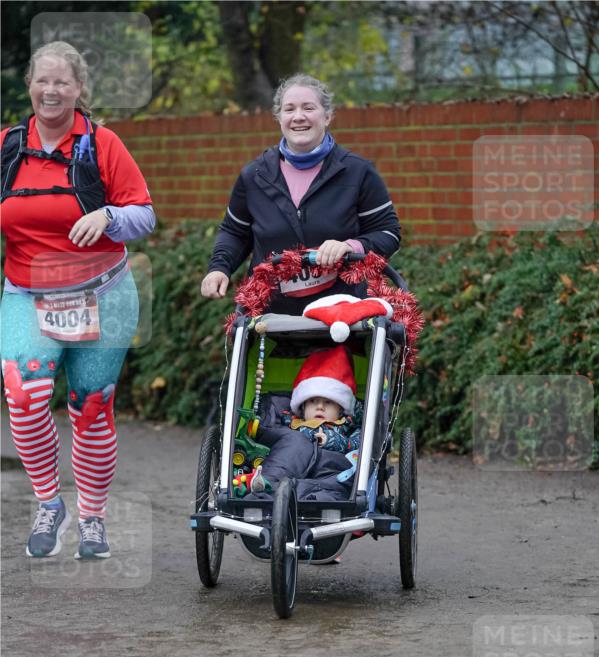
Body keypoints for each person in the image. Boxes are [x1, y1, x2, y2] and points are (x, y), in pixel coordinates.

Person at [1, 41, 155, 559]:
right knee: (24, 396)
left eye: (61, 82)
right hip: (26, 291)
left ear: (78, 89)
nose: (51, 90)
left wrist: (108, 216)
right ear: (29, 86)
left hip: (102, 292)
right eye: (42, 81)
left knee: (91, 407)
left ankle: (92, 518)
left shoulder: (102, 144)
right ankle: (49, 503)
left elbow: (144, 215)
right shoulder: (7, 147)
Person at [201, 73, 400, 314]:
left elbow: (388, 233)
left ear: (327, 116)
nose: (298, 117)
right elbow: (234, 232)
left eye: (308, 108)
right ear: (279, 118)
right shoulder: (254, 176)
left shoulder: (358, 172)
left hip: (344, 317)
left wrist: (350, 246)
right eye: (289, 109)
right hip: (268, 318)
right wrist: (219, 268)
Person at [240, 346, 362, 501]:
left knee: (331, 487)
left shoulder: (348, 427)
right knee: (292, 443)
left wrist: (332, 439)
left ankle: (317, 502)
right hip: (292, 461)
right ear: (302, 407)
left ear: (340, 410)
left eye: (328, 402)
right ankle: (264, 486)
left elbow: (358, 445)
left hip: (329, 468)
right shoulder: (290, 423)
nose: (320, 406)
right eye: (313, 401)